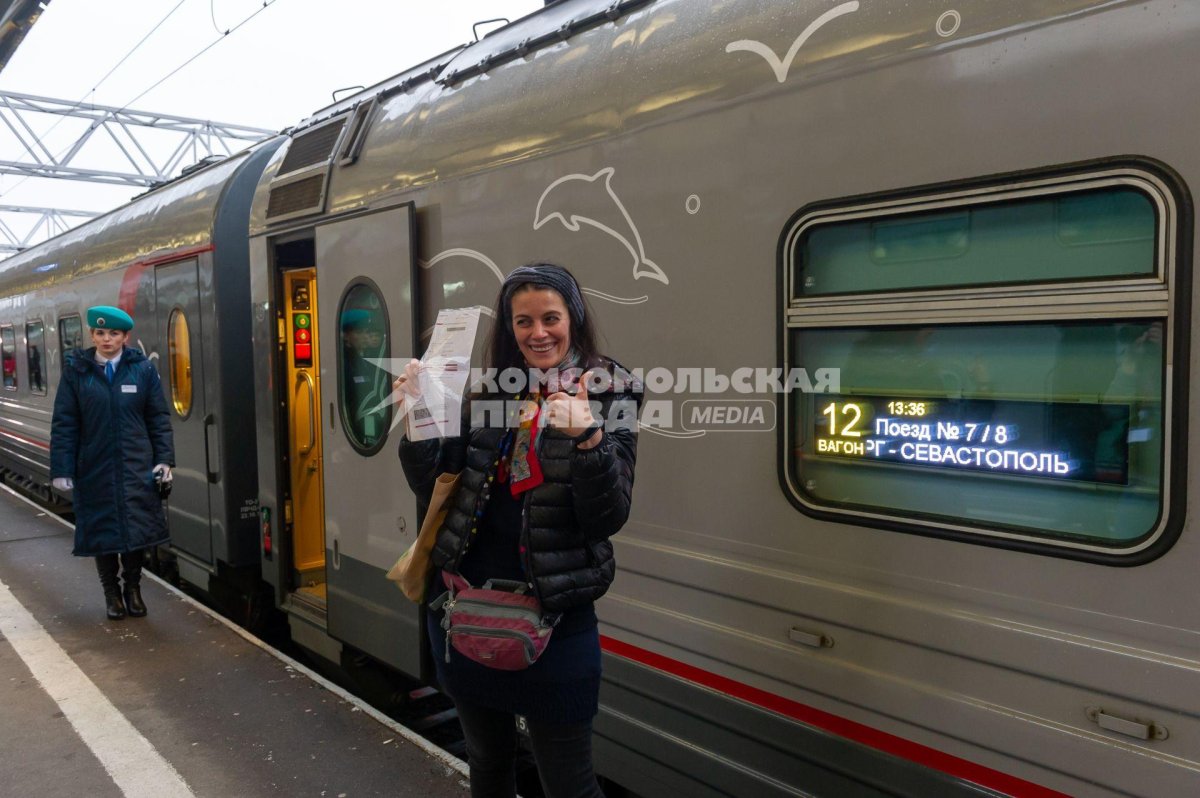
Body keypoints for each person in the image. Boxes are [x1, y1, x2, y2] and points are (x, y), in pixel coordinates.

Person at [397, 264, 640, 798]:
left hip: (555, 620)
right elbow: (435, 487)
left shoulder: (610, 389)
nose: (538, 333)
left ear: (572, 319)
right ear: (510, 329)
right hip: (466, 610)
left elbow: (609, 515)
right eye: (523, 321)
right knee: (488, 767)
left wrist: (590, 439)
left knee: (569, 783)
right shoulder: (490, 391)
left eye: (550, 317)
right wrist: (419, 418)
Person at [49, 305, 175, 620]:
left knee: (135, 532)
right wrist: (62, 468)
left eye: (114, 333)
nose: (107, 339)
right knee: (104, 534)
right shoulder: (77, 372)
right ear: (92, 335)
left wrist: (164, 460)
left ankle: (133, 589)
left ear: (125, 337)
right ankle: (112, 595)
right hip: (94, 467)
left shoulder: (143, 370)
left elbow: (157, 418)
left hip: (135, 465)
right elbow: (65, 422)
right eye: (101, 333)